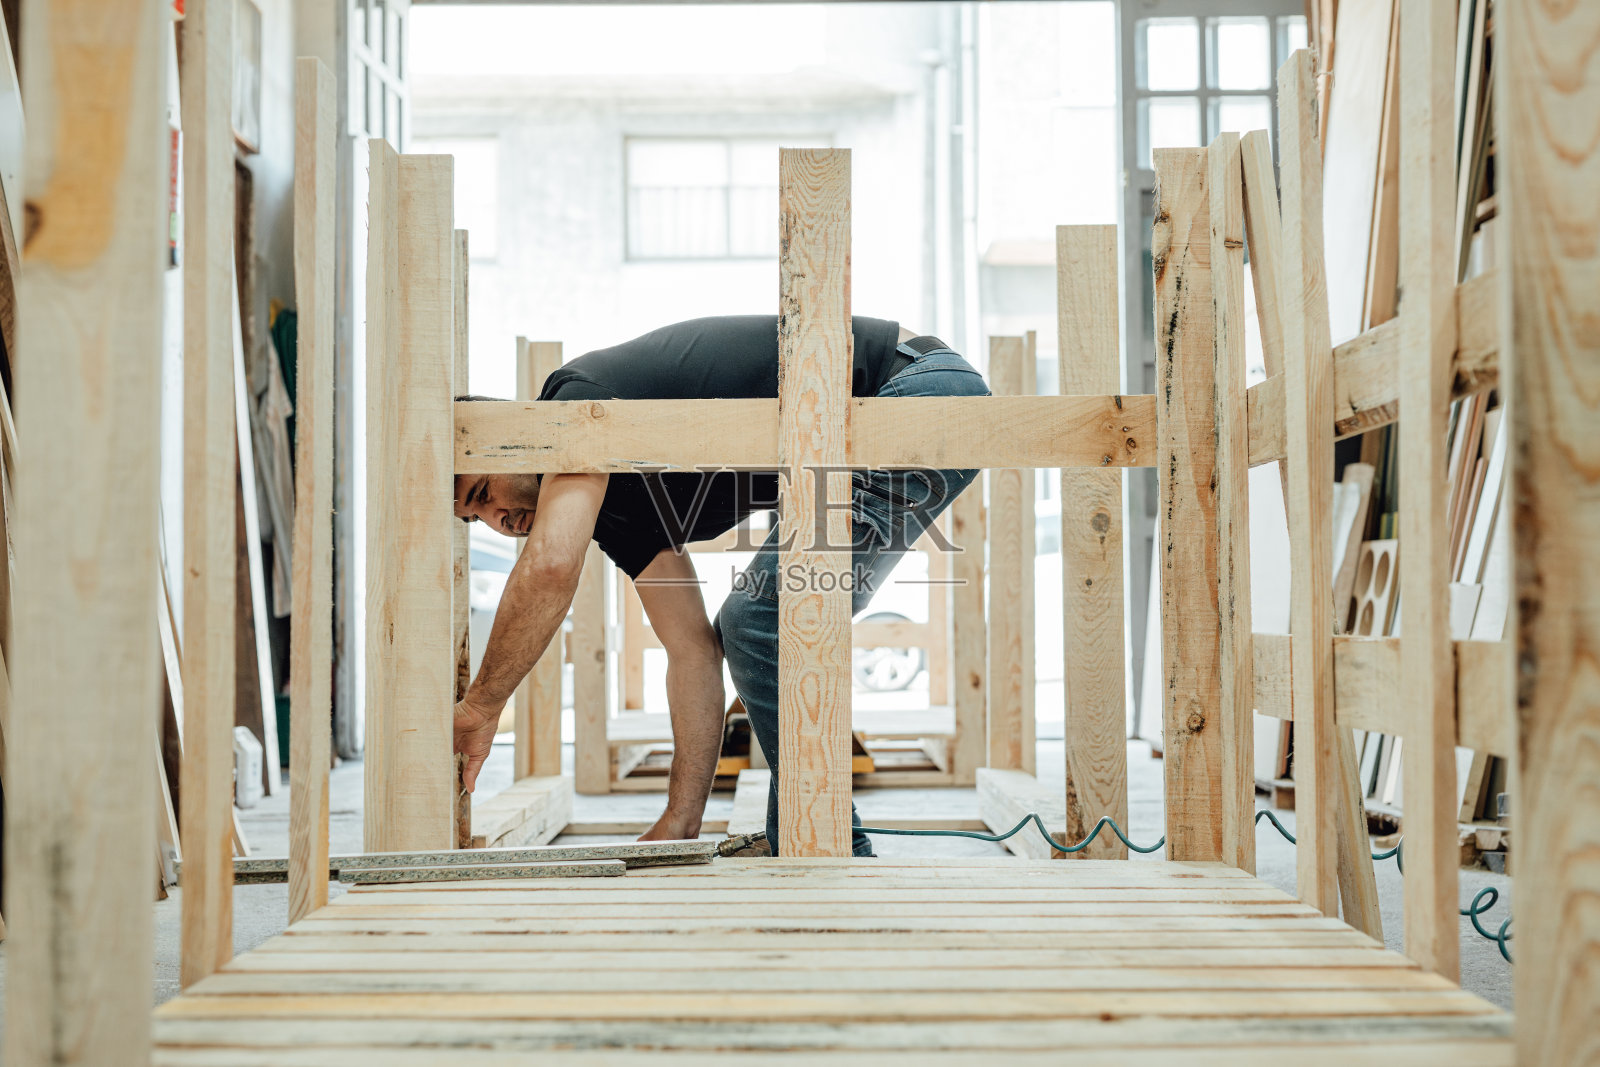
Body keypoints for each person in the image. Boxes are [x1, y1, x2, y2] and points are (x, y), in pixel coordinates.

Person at [452, 315, 988, 856]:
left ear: (510, 436)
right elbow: (692, 653)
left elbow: (548, 566)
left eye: (482, 493)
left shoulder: (573, 402)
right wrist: (682, 818)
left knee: (761, 619)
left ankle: (827, 844)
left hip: (908, 390)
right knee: (754, 622)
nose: (497, 519)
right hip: (880, 415)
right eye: (478, 519)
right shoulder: (619, 516)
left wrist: (481, 706)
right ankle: (804, 838)